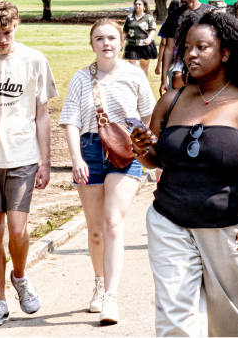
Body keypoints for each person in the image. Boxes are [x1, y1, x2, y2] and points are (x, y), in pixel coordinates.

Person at [130, 10, 238, 337]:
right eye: (187, 47)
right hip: (169, 219)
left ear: (225, 53)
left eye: (202, 47)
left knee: (229, 322)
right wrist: (140, 147)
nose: (191, 54)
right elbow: (155, 161)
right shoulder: (171, 100)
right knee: (174, 318)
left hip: (226, 225)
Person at [59, 18, 155, 325]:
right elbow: (71, 120)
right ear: (92, 44)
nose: (106, 43)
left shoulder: (134, 75)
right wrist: (76, 157)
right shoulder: (80, 78)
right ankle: (99, 284)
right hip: (89, 150)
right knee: (96, 229)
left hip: (128, 152)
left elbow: (150, 117)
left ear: (121, 41)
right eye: (99, 38)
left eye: (111, 37)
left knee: (114, 222)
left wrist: (155, 157)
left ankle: (111, 298)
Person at [0, 0, 57, 326]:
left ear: (16, 26)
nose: (1, 40)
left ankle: (19, 277)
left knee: (17, 231)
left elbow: (43, 114)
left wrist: (46, 162)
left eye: (6, 33)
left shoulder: (33, 60)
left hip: (22, 159)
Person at [159, 0, 213, 95]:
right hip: (184, 57)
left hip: (207, 56)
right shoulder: (174, 15)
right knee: (178, 77)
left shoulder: (210, 12)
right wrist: (164, 79)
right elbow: (169, 48)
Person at [122, 0, 158, 77]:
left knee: (144, 65)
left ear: (144, 6)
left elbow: (153, 30)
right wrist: (121, 42)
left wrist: (149, 38)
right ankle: (133, 82)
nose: (137, 6)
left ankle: (143, 83)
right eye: (136, 4)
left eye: (139, 4)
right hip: (131, 45)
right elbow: (125, 31)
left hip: (144, 44)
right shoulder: (129, 17)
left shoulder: (148, 17)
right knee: (134, 64)